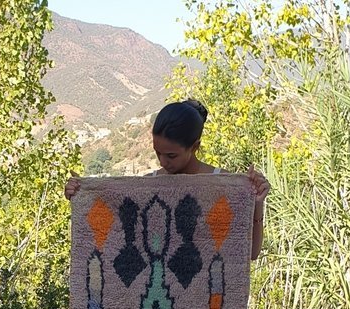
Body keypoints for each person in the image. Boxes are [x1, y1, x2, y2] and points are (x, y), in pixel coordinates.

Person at [65, 99, 270, 260]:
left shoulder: (223, 185)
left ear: (195, 147)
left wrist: (256, 203)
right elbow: (115, 235)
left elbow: (249, 253)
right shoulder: (148, 186)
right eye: (158, 153)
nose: (163, 161)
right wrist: (83, 196)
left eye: (171, 155)